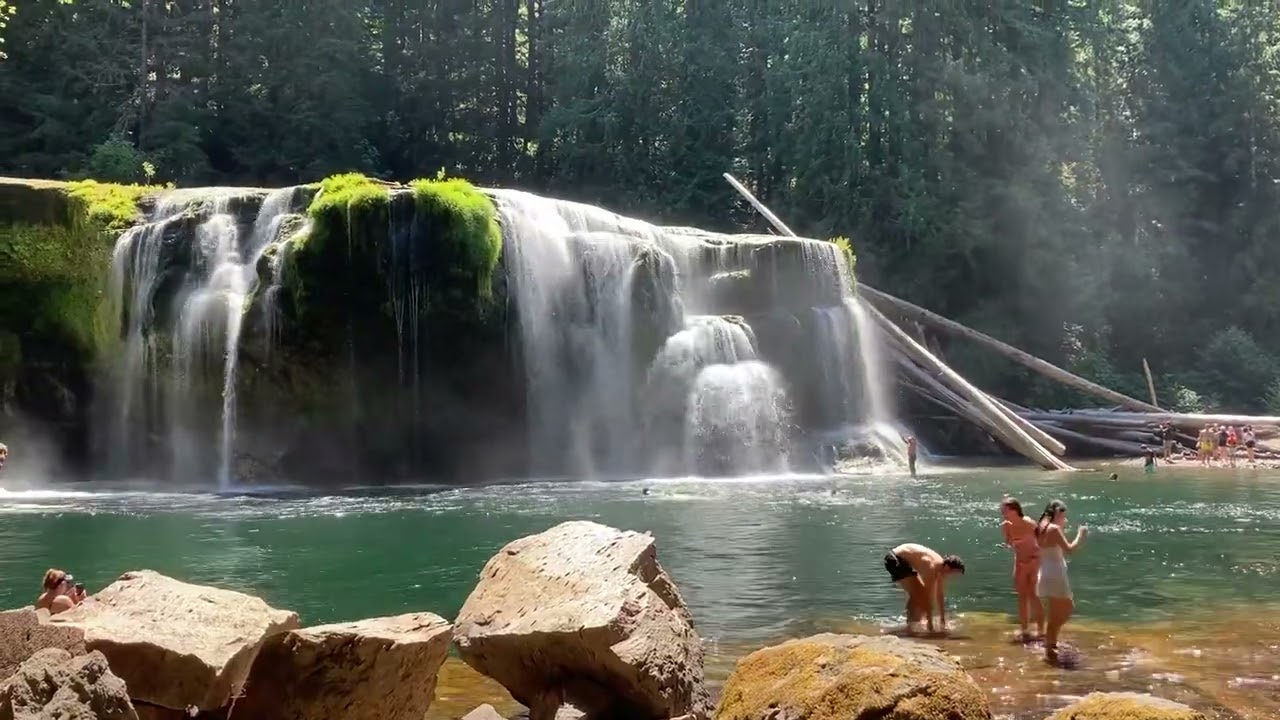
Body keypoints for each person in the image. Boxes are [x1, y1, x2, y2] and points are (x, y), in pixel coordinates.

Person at [1035, 500, 1087, 660]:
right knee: (1066, 608)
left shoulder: (1040, 527)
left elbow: (1049, 544)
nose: (1063, 519)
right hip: (1056, 573)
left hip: (1044, 572)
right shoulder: (1054, 529)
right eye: (1062, 515)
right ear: (1055, 513)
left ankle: (1050, 645)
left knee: (1054, 612)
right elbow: (1069, 549)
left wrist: (1060, 525)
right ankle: (1050, 643)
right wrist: (1081, 534)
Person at [883, 543, 965, 634]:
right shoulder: (932, 567)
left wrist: (943, 619)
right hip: (895, 559)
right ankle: (911, 625)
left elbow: (939, 594)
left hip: (904, 561)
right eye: (952, 573)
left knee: (918, 594)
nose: (950, 576)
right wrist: (930, 626)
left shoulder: (941, 567)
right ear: (947, 567)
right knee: (918, 594)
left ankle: (913, 623)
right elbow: (926, 596)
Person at [1000, 497, 1043, 640]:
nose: (1002, 513)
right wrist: (1006, 545)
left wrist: (1034, 562)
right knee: (1021, 596)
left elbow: (1042, 543)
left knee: (1033, 595)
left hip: (1034, 560)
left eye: (1005, 510)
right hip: (1019, 561)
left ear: (1015, 510)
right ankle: (1024, 629)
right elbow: (1009, 542)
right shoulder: (1006, 526)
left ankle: (1041, 629)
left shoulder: (1029, 523)